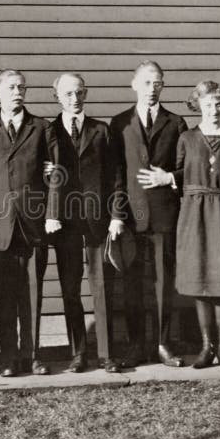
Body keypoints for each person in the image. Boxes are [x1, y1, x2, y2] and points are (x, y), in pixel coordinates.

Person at [0, 69, 61, 377]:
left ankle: (32, 355)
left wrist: (51, 213)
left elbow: (55, 176)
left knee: (31, 295)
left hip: (34, 224)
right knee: (5, 295)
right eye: (11, 87)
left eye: (21, 87)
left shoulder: (41, 127)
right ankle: (9, 357)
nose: (17, 92)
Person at [109, 60, 188, 368]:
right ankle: (135, 346)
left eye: (158, 83)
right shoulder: (119, 124)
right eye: (146, 83)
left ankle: (163, 343)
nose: (152, 89)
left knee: (163, 282)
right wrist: (116, 213)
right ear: (134, 85)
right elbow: (115, 172)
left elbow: (186, 167)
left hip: (165, 216)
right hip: (130, 215)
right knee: (131, 283)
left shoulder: (176, 122)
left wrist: (169, 178)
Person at [48, 73, 124, 374]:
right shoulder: (47, 131)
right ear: (57, 97)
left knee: (102, 287)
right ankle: (78, 352)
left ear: (86, 94)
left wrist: (117, 215)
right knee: (69, 289)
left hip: (99, 221)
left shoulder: (101, 131)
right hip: (65, 222)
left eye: (79, 93)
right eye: (67, 94)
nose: (74, 98)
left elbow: (117, 177)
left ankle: (106, 354)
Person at [175, 81, 220, 370]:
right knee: (199, 279)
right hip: (193, 214)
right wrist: (167, 178)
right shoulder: (187, 138)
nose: (213, 110)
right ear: (198, 106)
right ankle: (206, 348)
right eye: (207, 104)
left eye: (218, 104)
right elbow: (179, 175)